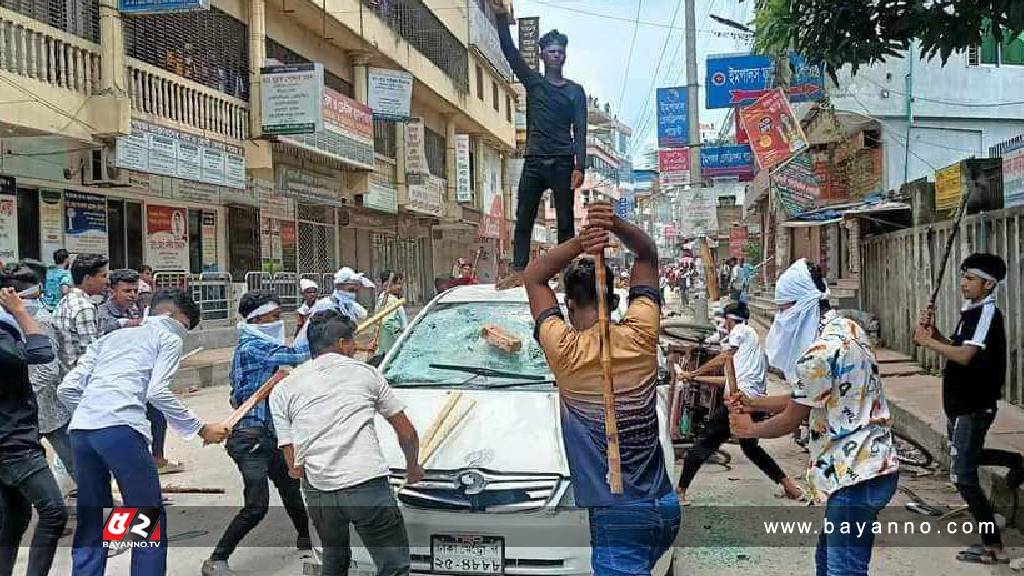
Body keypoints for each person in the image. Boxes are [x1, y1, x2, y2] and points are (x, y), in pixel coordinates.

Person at [523, 202, 679, 576]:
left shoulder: (565, 350)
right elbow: (647, 254)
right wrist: (614, 225)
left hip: (618, 513)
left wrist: (581, 241)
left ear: (570, 305)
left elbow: (533, 279)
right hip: (663, 504)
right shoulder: (641, 333)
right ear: (614, 301)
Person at [728, 259, 899, 576]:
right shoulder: (849, 329)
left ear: (802, 305)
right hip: (873, 466)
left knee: (842, 570)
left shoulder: (817, 355)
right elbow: (809, 398)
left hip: (855, 474)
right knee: (828, 564)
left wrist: (749, 428)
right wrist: (754, 402)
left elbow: (792, 418)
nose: (780, 318)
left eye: (784, 309)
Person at [58, 289, 230, 576]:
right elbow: (157, 392)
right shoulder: (168, 337)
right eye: (185, 326)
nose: (183, 333)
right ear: (173, 316)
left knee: (94, 516)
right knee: (144, 517)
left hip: (83, 431)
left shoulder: (110, 338)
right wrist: (201, 429)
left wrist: (96, 410)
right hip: (121, 431)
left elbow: (67, 389)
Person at [270, 309, 423, 576]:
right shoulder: (366, 374)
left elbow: (291, 460)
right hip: (366, 483)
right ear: (342, 343)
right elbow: (406, 432)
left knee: (334, 557)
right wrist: (412, 468)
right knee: (394, 566)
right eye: (352, 342)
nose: (354, 348)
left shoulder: (285, 387)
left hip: (320, 490)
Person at [913, 253, 1023, 565]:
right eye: (962, 277)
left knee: (963, 476)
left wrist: (928, 343)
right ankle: (1015, 461)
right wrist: (933, 335)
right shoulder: (971, 312)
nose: (963, 284)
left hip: (973, 407)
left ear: (988, 284)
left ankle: (994, 546)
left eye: (970, 279)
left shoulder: (988, 313)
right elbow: (956, 347)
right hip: (958, 404)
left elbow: (965, 356)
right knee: (964, 456)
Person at [204, 290, 312, 576]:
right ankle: (216, 559)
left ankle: (307, 538)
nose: (279, 322)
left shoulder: (259, 343)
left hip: (269, 435)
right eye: (275, 317)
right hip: (250, 437)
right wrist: (328, 339)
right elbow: (298, 355)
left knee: (291, 488)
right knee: (256, 506)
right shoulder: (254, 346)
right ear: (258, 318)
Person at [675, 302, 803, 506]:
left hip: (739, 403)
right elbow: (727, 381)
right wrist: (694, 378)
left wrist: (695, 372)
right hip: (749, 403)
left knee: (704, 444)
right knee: (752, 449)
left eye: (725, 320)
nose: (724, 326)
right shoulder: (748, 350)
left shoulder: (741, 330)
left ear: (730, 319)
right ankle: (789, 487)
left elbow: (725, 356)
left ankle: (680, 492)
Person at [495, 8, 587, 290]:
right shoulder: (533, 83)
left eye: (560, 51)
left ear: (565, 55)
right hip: (534, 159)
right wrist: (500, 17)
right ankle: (519, 270)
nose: (556, 55)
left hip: (562, 162)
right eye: (550, 51)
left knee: (565, 223)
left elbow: (580, 130)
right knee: (523, 216)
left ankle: (566, 275)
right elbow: (509, 51)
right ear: (542, 55)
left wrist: (579, 166)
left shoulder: (575, 91)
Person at [0, 280, 67, 576]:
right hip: (12, 442)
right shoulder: (3, 335)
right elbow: (41, 352)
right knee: (54, 511)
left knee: (16, 516)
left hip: (16, 434)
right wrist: (20, 313)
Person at [4, 264, 74, 478]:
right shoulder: (13, 319)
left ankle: (102, 502)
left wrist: (24, 395)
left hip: (47, 405)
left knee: (74, 461)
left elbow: (47, 371)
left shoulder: (39, 320)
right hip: (28, 407)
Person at [52, 253, 108, 376]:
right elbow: (89, 354)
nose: (106, 281)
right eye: (103, 276)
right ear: (88, 279)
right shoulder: (84, 307)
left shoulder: (66, 300)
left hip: (66, 374)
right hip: (80, 379)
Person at [371, 272, 408, 366]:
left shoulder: (383, 299)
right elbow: (387, 321)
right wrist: (400, 332)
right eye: (398, 284)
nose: (400, 287)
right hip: (391, 344)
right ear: (387, 285)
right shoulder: (390, 300)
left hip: (384, 344)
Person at [96, 268, 143, 336]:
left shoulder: (134, 311)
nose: (132, 295)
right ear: (113, 291)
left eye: (135, 291)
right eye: (127, 291)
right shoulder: (101, 313)